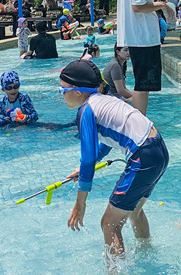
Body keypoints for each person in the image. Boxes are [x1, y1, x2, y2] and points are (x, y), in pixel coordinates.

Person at [59, 59, 169, 260]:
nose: (61, 95)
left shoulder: (86, 110)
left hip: (143, 156)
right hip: (159, 150)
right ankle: (147, 255)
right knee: (134, 211)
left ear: (76, 91)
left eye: (62, 90)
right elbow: (106, 143)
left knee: (109, 224)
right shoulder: (106, 99)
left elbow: (88, 158)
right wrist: (83, 169)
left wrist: (80, 204)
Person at [117, 0, 172, 115]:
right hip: (143, 37)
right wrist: (162, 5)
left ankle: (138, 122)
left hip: (135, 35)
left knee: (142, 82)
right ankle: (138, 124)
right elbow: (138, 6)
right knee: (143, 84)